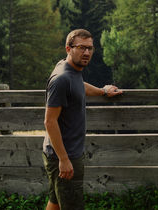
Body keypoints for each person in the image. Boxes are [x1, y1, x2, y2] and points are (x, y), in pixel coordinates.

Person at [42, 29, 122, 210]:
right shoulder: (61, 79)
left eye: (90, 48)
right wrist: (64, 159)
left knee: (55, 203)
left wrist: (103, 91)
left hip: (63, 152)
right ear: (68, 49)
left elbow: (79, 86)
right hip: (64, 155)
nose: (86, 53)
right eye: (81, 48)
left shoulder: (71, 70)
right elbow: (49, 121)